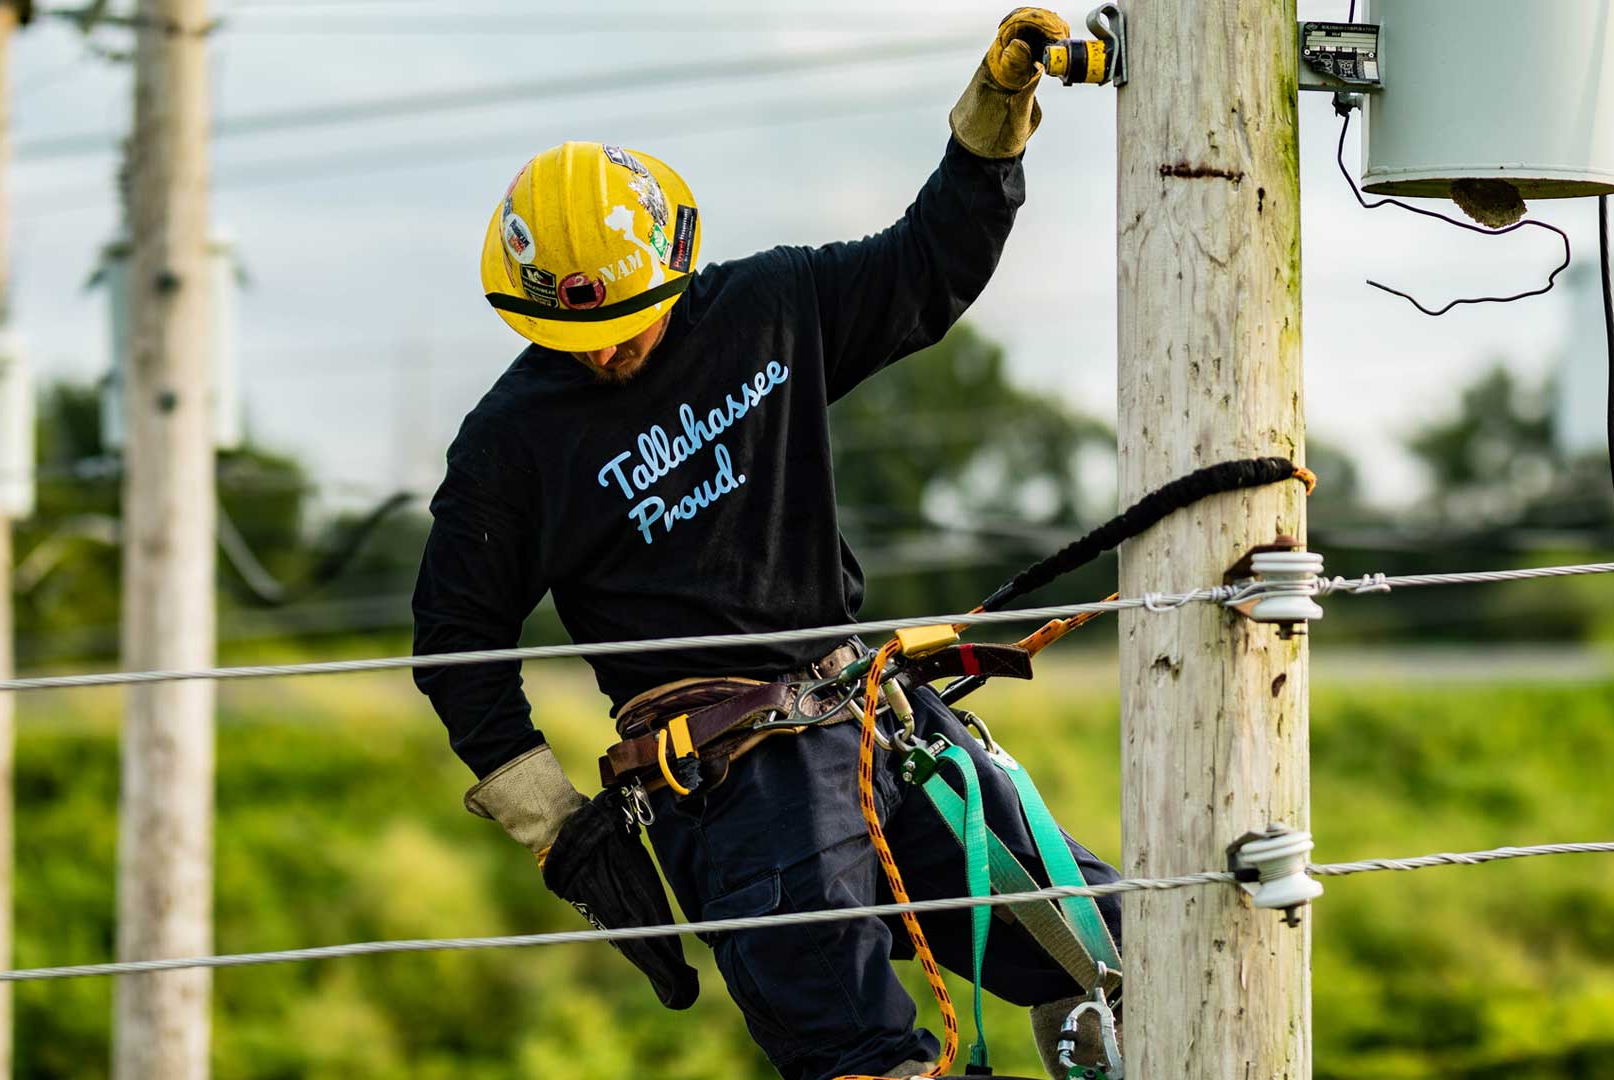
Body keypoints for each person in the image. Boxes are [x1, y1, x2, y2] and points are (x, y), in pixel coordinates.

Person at [412, 9, 1122, 1078]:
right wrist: (555, 825)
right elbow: (454, 635)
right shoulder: (513, 444)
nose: (605, 353)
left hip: (883, 726)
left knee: (1124, 940)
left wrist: (996, 112)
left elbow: (928, 266)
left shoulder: (770, 309)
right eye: (575, 337)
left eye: (627, 325)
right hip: (739, 794)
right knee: (861, 1061)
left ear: (675, 263)